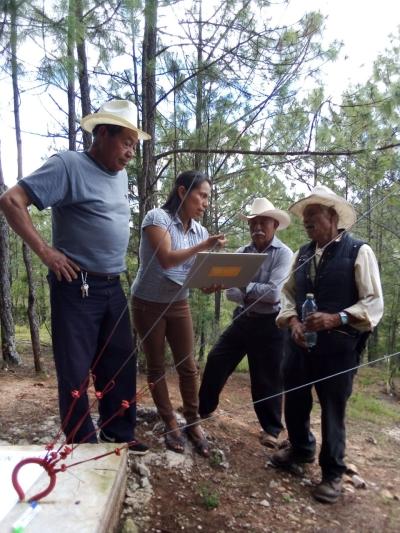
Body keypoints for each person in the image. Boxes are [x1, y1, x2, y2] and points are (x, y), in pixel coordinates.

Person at [0, 100, 150, 453]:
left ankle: (118, 431)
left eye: (134, 145)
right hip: (77, 286)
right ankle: (82, 442)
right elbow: (11, 200)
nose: (130, 153)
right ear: (101, 133)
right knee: (76, 370)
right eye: (125, 142)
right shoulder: (68, 165)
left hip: (112, 284)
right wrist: (46, 252)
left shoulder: (121, 174)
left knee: (119, 361)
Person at [271, 185, 384, 503]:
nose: (307, 221)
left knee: (333, 409)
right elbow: (288, 293)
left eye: (313, 215)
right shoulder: (302, 253)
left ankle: (332, 474)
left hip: (339, 349)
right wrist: (292, 321)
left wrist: (337, 318)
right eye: (305, 217)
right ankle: (301, 449)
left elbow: (373, 303)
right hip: (299, 345)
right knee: (294, 399)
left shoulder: (358, 251)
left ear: (333, 218)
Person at [131, 170, 226, 456]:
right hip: (147, 304)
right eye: (202, 195)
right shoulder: (156, 218)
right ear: (183, 191)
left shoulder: (199, 231)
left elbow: (191, 274)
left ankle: (193, 421)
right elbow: (167, 259)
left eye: (208, 197)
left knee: (188, 366)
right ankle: (170, 421)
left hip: (179, 302)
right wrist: (206, 246)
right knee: (157, 366)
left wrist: (209, 285)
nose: (206, 202)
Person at [198, 197, 293, 447]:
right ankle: (203, 409)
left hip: (272, 323)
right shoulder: (242, 252)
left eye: (263, 222)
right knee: (217, 357)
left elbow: (273, 294)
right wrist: (248, 290)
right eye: (253, 223)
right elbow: (230, 294)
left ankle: (271, 430)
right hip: (243, 317)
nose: (257, 228)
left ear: (274, 224)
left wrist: (241, 284)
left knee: (267, 376)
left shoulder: (284, 255)